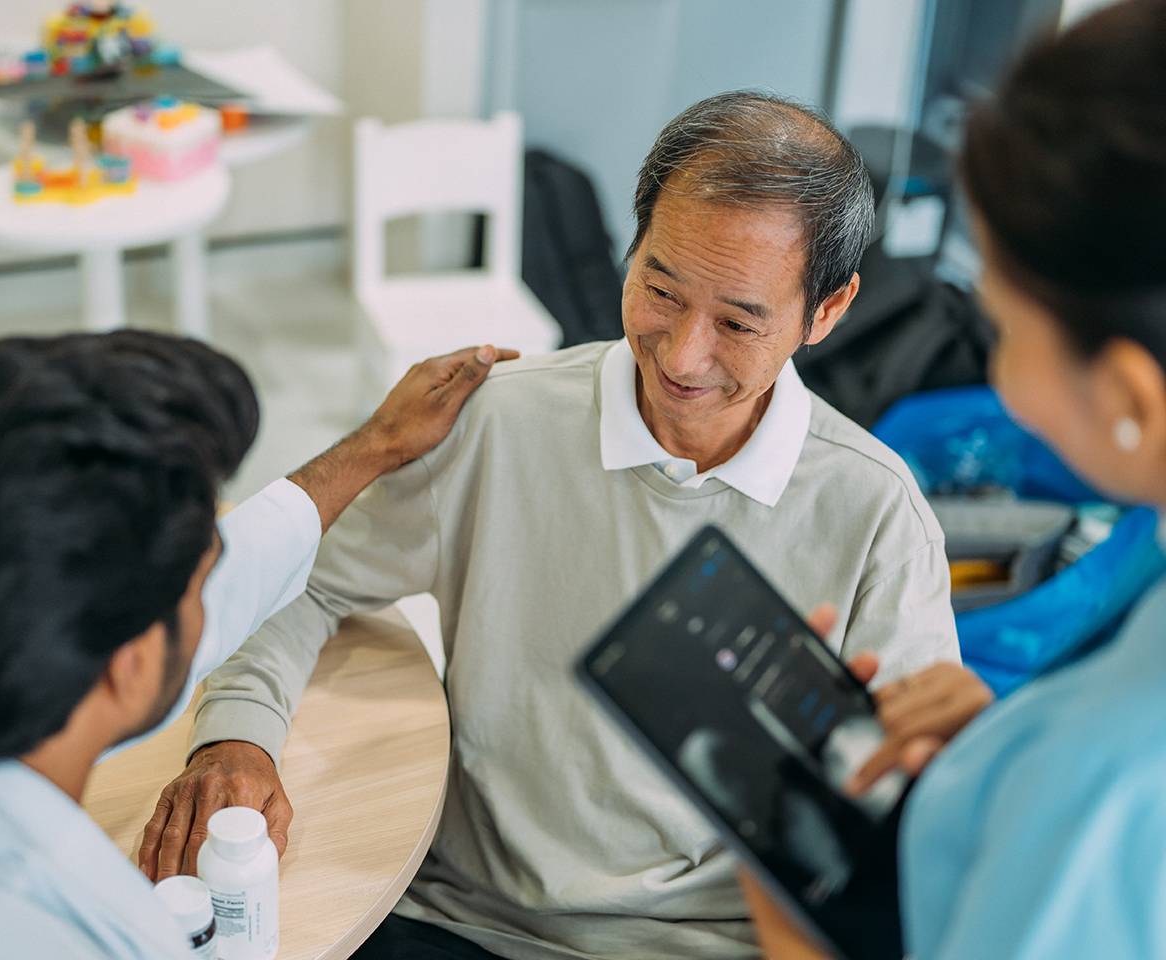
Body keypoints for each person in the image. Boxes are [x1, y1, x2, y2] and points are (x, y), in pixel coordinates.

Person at [142, 92, 960, 960]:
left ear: (826, 311)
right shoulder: (497, 421)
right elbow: (293, 578)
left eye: (737, 322)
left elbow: (896, 836)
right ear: (632, 247)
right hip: (457, 917)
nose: (682, 354)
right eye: (659, 286)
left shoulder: (875, 512)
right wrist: (237, 736)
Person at [744, 1, 1166, 956]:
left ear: (1131, 395)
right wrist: (1005, 752)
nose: (997, 376)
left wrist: (787, 915)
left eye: (1006, 328)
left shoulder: (1103, 789)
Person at [0, 331, 515, 959]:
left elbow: (238, 573)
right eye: (202, 576)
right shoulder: (85, 935)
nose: (217, 591)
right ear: (126, 666)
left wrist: (378, 443)